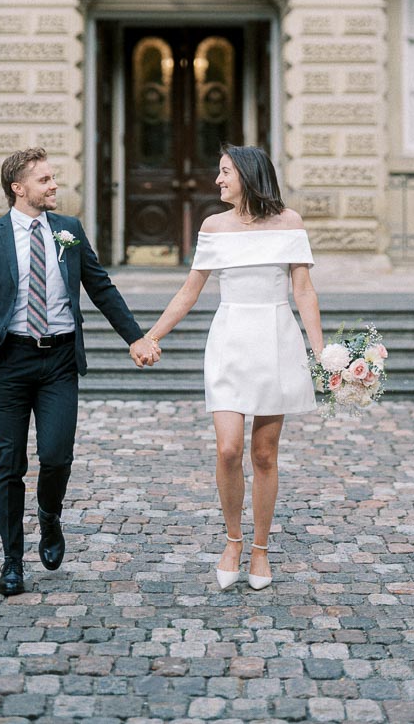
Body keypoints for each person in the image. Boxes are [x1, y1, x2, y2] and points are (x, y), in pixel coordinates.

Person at [0, 147, 161, 596]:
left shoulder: (68, 230)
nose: (54, 186)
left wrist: (136, 337)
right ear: (19, 188)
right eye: (45, 179)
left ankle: (50, 517)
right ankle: (12, 561)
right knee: (9, 464)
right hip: (9, 361)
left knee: (56, 456)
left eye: (53, 179)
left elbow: (101, 287)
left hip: (59, 362)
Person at [142, 144, 324, 590]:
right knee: (228, 449)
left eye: (224, 172)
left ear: (247, 174)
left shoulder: (290, 223)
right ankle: (233, 541)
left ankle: (260, 550)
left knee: (264, 453)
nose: (217, 181)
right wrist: (151, 335)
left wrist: (323, 356)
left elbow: (304, 292)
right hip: (230, 338)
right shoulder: (214, 226)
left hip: (276, 337)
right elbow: (190, 291)